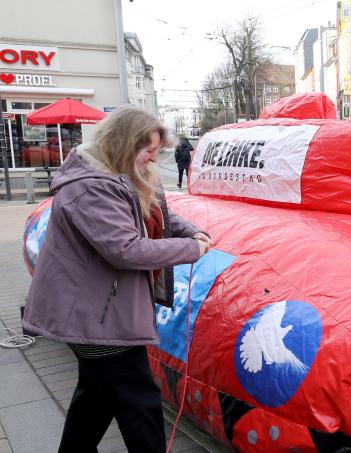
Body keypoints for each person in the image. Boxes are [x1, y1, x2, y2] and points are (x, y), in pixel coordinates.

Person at [22, 106, 212, 453]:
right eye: (149, 151)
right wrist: (191, 249)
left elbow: (158, 216)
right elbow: (125, 249)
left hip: (101, 311)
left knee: (96, 396)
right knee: (137, 399)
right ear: (126, 144)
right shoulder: (90, 188)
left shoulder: (124, 175)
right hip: (95, 315)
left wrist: (194, 232)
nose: (152, 159)